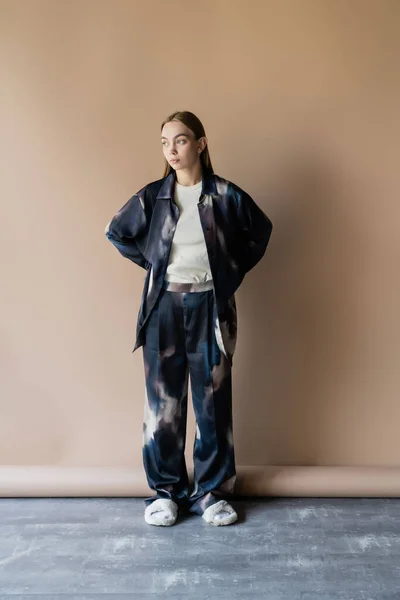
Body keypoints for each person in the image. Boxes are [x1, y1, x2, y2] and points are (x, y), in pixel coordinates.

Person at [105, 110, 273, 527]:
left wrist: (229, 271)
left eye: (180, 141)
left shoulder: (225, 195)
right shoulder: (153, 197)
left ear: (200, 143)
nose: (172, 150)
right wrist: (156, 264)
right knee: (163, 405)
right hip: (164, 307)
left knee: (212, 402)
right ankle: (166, 493)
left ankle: (212, 494)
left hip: (210, 307)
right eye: (165, 142)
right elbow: (117, 231)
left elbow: (260, 231)